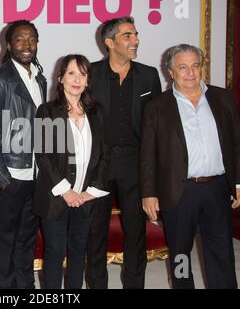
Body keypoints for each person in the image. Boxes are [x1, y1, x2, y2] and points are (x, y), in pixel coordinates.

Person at [140, 44, 240, 289]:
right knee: (180, 253)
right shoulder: (156, 106)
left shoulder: (223, 97)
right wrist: (149, 193)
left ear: (202, 68)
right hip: (179, 191)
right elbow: (148, 155)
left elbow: (236, 143)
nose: (190, 72)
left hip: (217, 188)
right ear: (170, 72)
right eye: (183, 67)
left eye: (195, 65)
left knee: (221, 250)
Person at [86, 16, 162, 289]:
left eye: (135, 35)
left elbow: (156, 127)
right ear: (109, 42)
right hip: (99, 164)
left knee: (135, 232)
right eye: (128, 36)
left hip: (135, 163)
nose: (135, 41)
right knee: (95, 233)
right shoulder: (90, 74)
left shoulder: (149, 75)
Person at [34, 54, 110, 289]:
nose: (77, 79)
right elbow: (43, 156)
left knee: (79, 253)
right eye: (71, 73)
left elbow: (105, 156)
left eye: (83, 74)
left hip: (86, 198)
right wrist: (65, 191)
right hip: (56, 198)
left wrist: (92, 191)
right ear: (60, 78)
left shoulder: (97, 112)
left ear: (88, 81)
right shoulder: (46, 111)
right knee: (55, 253)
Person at [0, 20, 47, 289]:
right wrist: (1, 177)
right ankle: (3, 287)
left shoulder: (40, 78)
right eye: (20, 40)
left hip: (36, 172)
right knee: (6, 237)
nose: (26, 45)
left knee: (28, 236)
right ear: (8, 45)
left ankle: (25, 285)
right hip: (11, 173)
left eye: (31, 39)